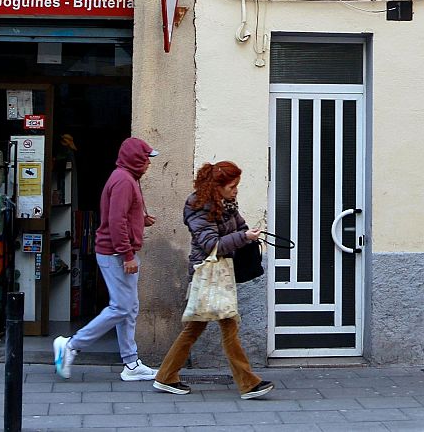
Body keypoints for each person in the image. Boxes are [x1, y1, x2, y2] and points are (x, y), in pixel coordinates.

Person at [152, 160, 274, 399]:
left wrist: (248, 234)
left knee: (196, 328)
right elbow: (211, 245)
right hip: (208, 274)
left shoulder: (226, 204)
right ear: (217, 187)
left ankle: (165, 376)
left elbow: (240, 227)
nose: (236, 190)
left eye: (236, 186)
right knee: (227, 327)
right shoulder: (199, 207)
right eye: (232, 186)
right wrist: (243, 237)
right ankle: (248, 383)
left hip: (221, 273)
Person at [54, 137, 160, 382]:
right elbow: (115, 221)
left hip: (117, 252)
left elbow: (121, 216)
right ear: (135, 159)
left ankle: (131, 364)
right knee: (122, 307)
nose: (148, 163)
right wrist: (127, 254)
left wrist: (140, 219)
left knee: (129, 308)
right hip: (116, 254)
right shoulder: (123, 181)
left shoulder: (126, 178)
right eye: (146, 158)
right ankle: (71, 345)